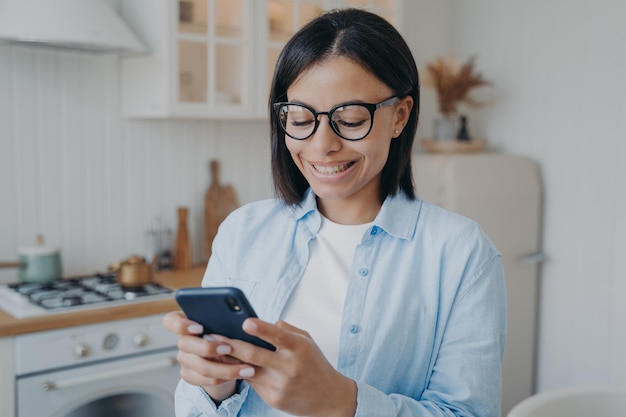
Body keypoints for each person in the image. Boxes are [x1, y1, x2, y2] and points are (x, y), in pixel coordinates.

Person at [163, 8, 506, 417]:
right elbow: (193, 405)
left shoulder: (461, 253)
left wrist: (342, 403)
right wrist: (214, 387)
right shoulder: (243, 230)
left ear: (400, 115)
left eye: (351, 119)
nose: (322, 145)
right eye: (302, 118)